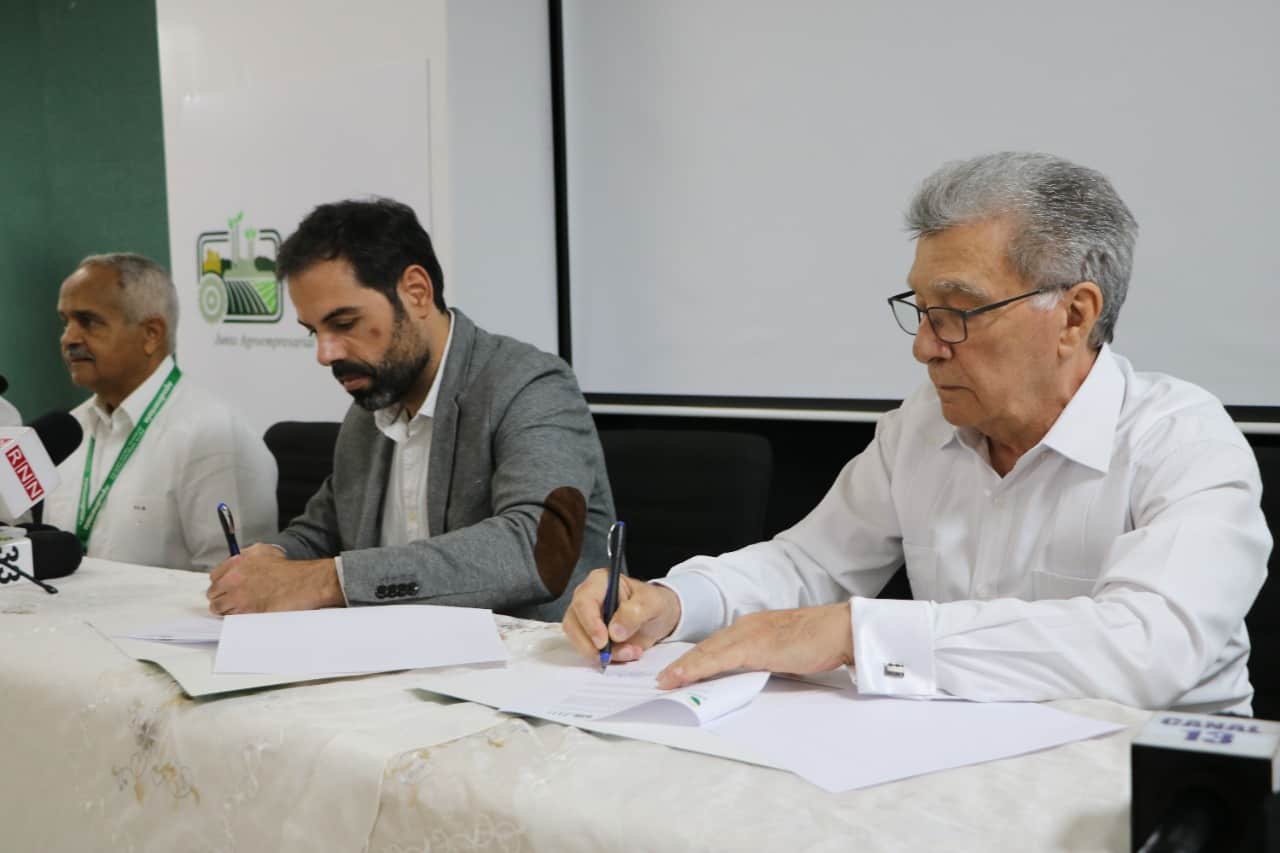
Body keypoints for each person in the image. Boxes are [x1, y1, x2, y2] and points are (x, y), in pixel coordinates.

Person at [563, 152, 1272, 714]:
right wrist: (673, 601)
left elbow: (1148, 651)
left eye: (958, 311)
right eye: (921, 309)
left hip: (1160, 785)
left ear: (1075, 316)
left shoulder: (1184, 443)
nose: (926, 347)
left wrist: (856, 632)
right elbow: (810, 564)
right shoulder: (923, 426)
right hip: (960, 759)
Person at [206, 198, 614, 621]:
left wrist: (328, 581)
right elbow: (325, 530)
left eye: (344, 324)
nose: (324, 354)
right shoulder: (370, 406)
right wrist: (268, 561)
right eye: (314, 332)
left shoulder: (531, 385)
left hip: (524, 671)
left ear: (416, 292)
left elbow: (536, 548)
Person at [44, 253, 278, 571]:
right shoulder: (65, 432)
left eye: (88, 321)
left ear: (151, 334)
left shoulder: (214, 437)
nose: (69, 338)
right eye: (65, 321)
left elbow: (236, 586)